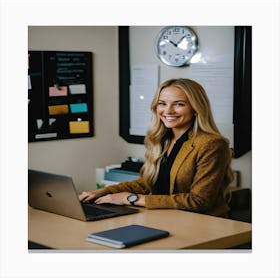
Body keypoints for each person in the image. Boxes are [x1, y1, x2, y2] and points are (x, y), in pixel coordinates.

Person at [79, 78, 233, 217]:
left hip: (202, 224)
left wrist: (131, 199)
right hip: (166, 218)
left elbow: (199, 201)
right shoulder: (160, 139)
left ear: (195, 108)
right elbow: (147, 183)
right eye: (162, 103)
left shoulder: (211, 144)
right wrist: (103, 192)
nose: (168, 111)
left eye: (179, 104)